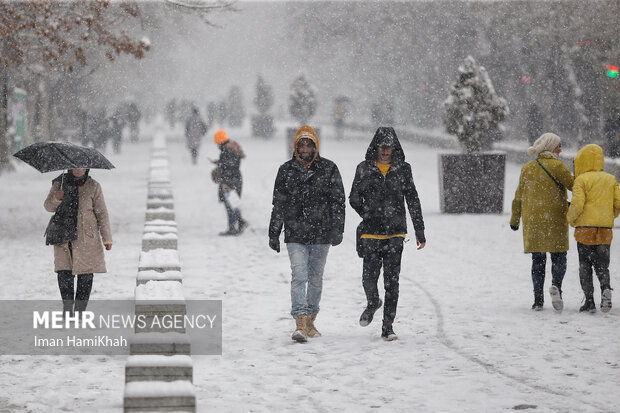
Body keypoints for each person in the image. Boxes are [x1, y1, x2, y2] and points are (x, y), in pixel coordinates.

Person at [268, 125, 345, 343]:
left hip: (321, 234)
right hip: (295, 233)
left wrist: (337, 228)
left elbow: (338, 202)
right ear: (295, 146)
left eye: (308, 144)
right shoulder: (285, 170)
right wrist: (274, 232)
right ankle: (300, 320)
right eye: (301, 144)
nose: (304, 148)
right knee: (299, 275)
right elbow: (278, 204)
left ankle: (311, 318)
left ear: (315, 146)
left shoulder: (329, 169)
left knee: (316, 278)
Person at [349, 127, 426, 341]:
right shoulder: (363, 168)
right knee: (368, 278)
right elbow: (353, 197)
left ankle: (388, 326)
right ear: (376, 147)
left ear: (394, 148)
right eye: (382, 147)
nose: (385, 152)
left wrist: (419, 230)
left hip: (395, 233)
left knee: (392, 282)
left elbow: (412, 199)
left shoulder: (403, 169)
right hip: (370, 233)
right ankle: (373, 301)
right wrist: (367, 213)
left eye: (388, 148)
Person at [510, 133, 574, 311]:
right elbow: (575, 186)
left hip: (533, 220)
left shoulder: (528, 167)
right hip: (555, 219)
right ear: (552, 147)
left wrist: (515, 219)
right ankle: (556, 287)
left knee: (537, 260)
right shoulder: (558, 167)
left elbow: (518, 196)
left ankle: (538, 299)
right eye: (558, 146)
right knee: (559, 256)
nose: (560, 149)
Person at [44, 168, 112, 315]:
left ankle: (80, 311)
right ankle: (67, 309)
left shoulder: (93, 186)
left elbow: (101, 212)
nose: (79, 169)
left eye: (82, 166)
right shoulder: (59, 183)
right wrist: (56, 199)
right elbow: (48, 207)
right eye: (75, 166)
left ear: (87, 168)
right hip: (63, 235)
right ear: (70, 167)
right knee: (64, 273)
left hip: (87, 238)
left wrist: (107, 237)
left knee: (86, 274)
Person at [567, 144, 620, 313]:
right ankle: (606, 289)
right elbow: (618, 203)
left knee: (585, 265)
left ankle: (589, 300)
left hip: (585, 229)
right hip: (605, 229)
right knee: (602, 264)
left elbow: (577, 204)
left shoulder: (581, 180)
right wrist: (610, 216)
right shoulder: (611, 179)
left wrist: (570, 219)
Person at [213, 129, 247, 235]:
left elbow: (228, 167)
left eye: (217, 143)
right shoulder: (232, 147)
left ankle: (233, 227)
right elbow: (231, 164)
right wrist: (219, 162)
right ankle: (240, 222)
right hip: (236, 179)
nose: (217, 145)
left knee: (230, 205)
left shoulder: (226, 151)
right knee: (234, 203)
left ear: (220, 141)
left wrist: (224, 182)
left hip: (230, 181)